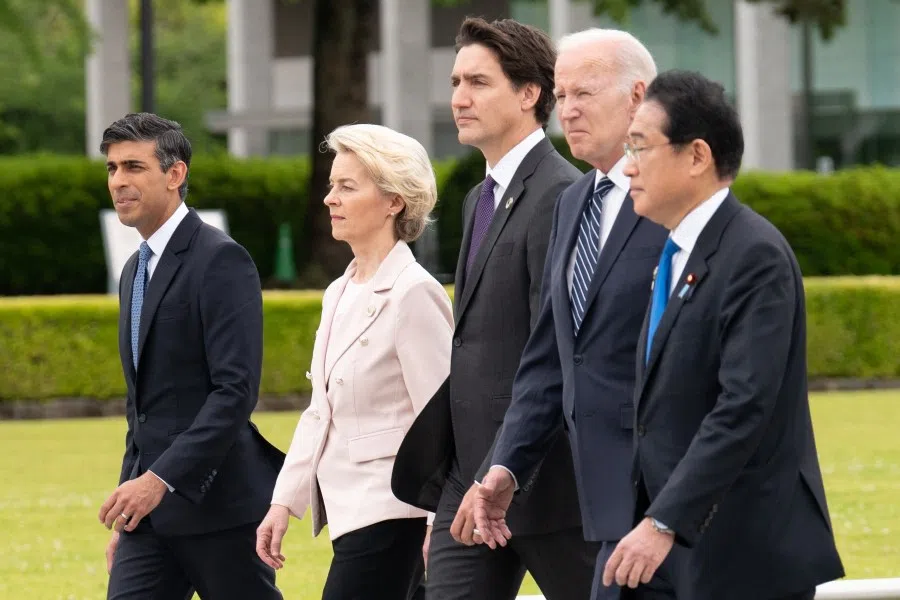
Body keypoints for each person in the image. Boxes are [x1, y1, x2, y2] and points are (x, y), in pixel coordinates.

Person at [596, 69, 845, 600]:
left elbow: (742, 408)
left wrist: (663, 522)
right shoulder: (673, 253)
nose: (627, 166)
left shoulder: (753, 255)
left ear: (696, 156)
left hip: (738, 554)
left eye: (640, 147)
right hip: (663, 550)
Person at [460, 29, 674, 600]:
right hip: (601, 504)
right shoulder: (575, 203)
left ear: (638, 97)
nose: (568, 110)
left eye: (585, 93)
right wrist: (504, 467)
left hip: (669, 505)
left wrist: (672, 511)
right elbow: (553, 358)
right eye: (563, 93)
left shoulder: (679, 202)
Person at [391, 16, 594, 600]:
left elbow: (552, 347)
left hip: (548, 483)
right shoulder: (478, 198)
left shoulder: (562, 194)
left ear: (530, 94)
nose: (459, 98)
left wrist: (505, 466)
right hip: (468, 477)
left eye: (478, 82)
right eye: (456, 82)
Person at [254, 123, 453, 600]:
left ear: (393, 201)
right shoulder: (338, 292)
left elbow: (442, 418)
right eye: (331, 185)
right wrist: (283, 502)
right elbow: (318, 409)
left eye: (347, 186)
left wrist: (436, 523)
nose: (329, 199)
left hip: (395, 512)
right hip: (350, 513)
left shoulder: (414, 292)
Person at [97, 112, 286, 599]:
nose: (119, 181)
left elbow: (235, 392)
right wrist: (130, 502)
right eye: (113, 168)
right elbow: (143, 406)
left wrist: (159, 479)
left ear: (175, 174)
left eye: (134, 167)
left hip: (218, 506)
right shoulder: (133, 270)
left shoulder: (221, 259)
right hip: (148, 514)